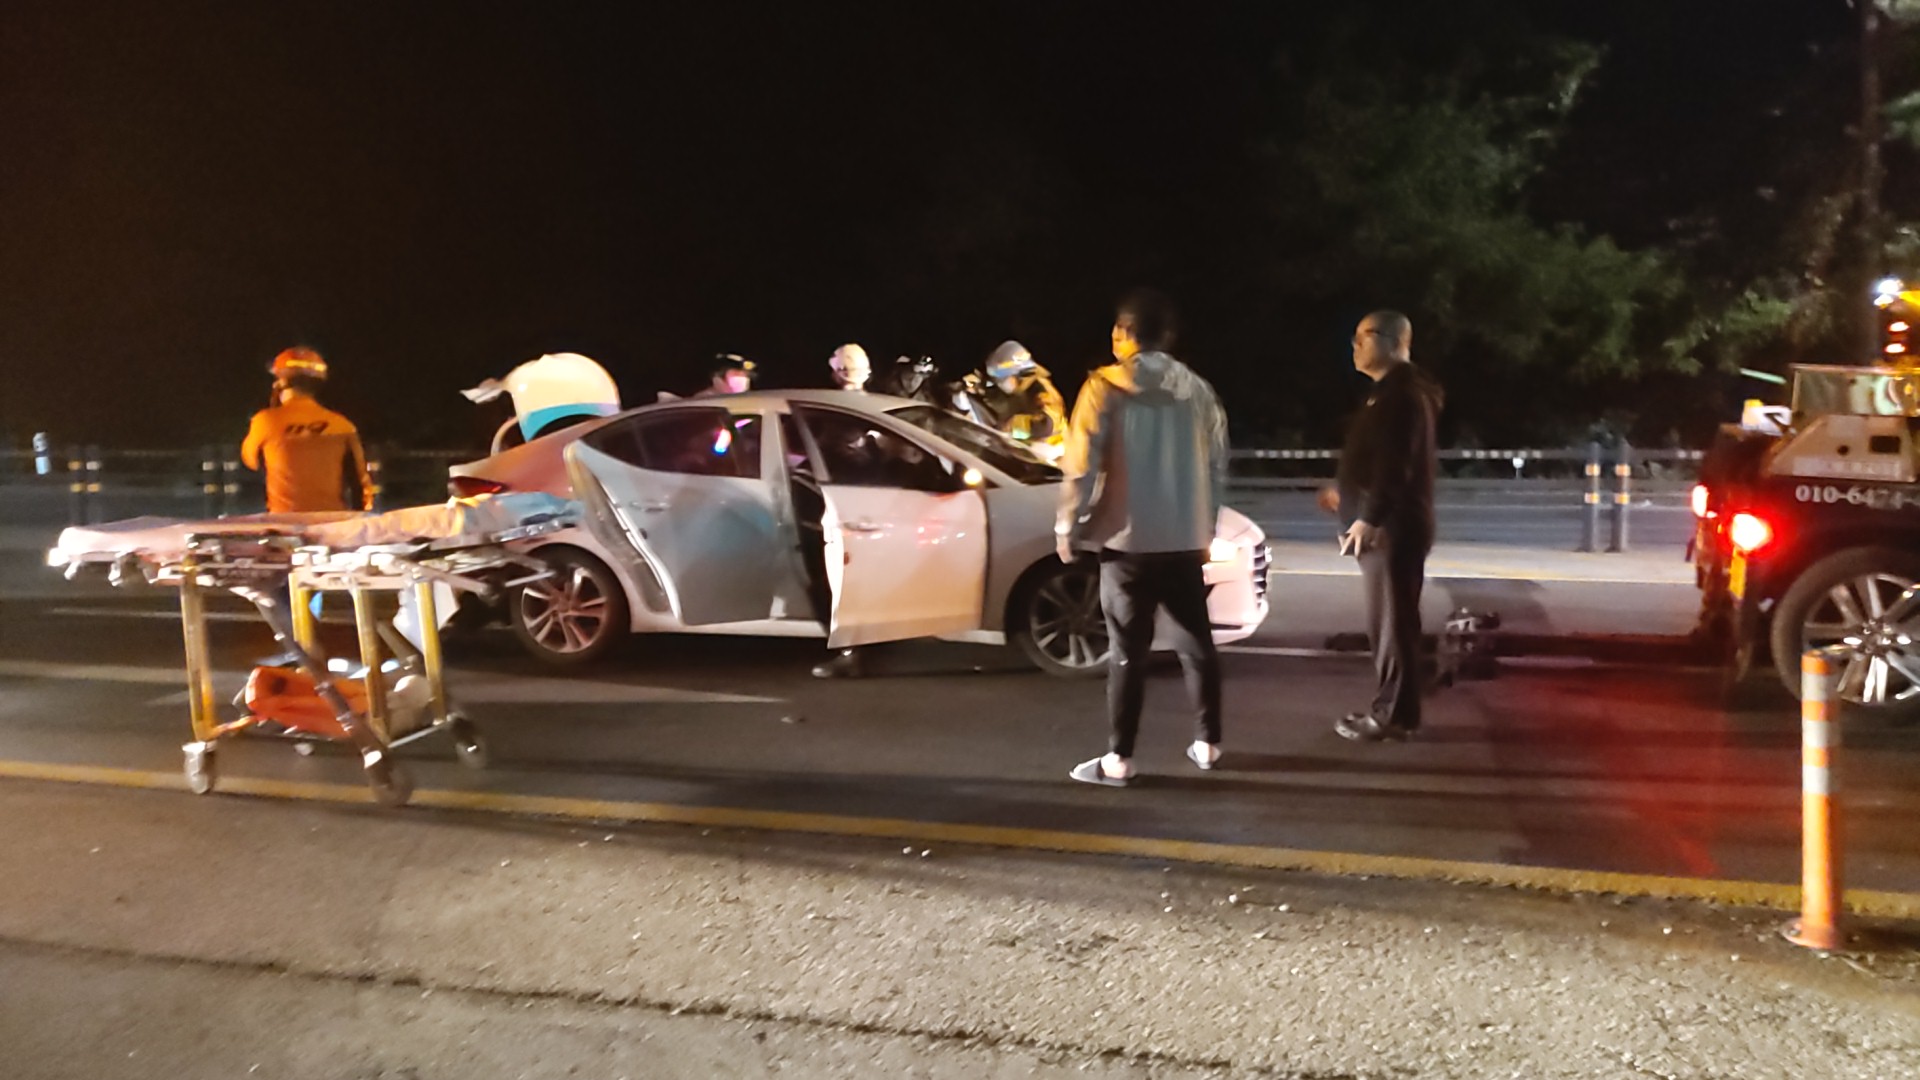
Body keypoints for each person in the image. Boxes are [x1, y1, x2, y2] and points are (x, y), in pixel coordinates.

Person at [1059, 289, 1228, 786]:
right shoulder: (1198, 390)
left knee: (1127, 652)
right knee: (1197, 644)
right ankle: (1209, 744)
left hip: (1126, 542)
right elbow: (1217, 465)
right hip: (1184, 539)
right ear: (1167, 336)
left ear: (1124, 333)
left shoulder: (1103, 388)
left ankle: (1120, 759)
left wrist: (1069, 526)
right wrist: (1206, 525)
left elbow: (1081, 466)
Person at [1320, 310, 1444, 742]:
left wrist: (1369, 517)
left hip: (1392, 528)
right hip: (1388, 525)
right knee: (1392, 624)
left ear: (1395, 341)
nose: (1355, 345)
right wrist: (1347, 494)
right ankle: (1397, 711)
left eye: (1365, 335)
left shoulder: (1402, 395)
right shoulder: (1391, 393)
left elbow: (1396, 465)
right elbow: (1379, 460)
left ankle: (1392, 716)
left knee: (1392, 626)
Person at [242, 347, 374, 513]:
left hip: (284, 521)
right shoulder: (343, 425)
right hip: (332, 521)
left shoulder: (265, 421)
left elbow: (251, 460)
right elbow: (360, 483)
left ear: (281, 382)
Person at [980, 340, 1067, 462]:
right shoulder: (1022, 390)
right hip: (1023, 453)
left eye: (1004, 380)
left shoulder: (1041, 389)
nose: (1002, 385)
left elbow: (1045, 424)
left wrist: (1010, 426)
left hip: (1049, 456)